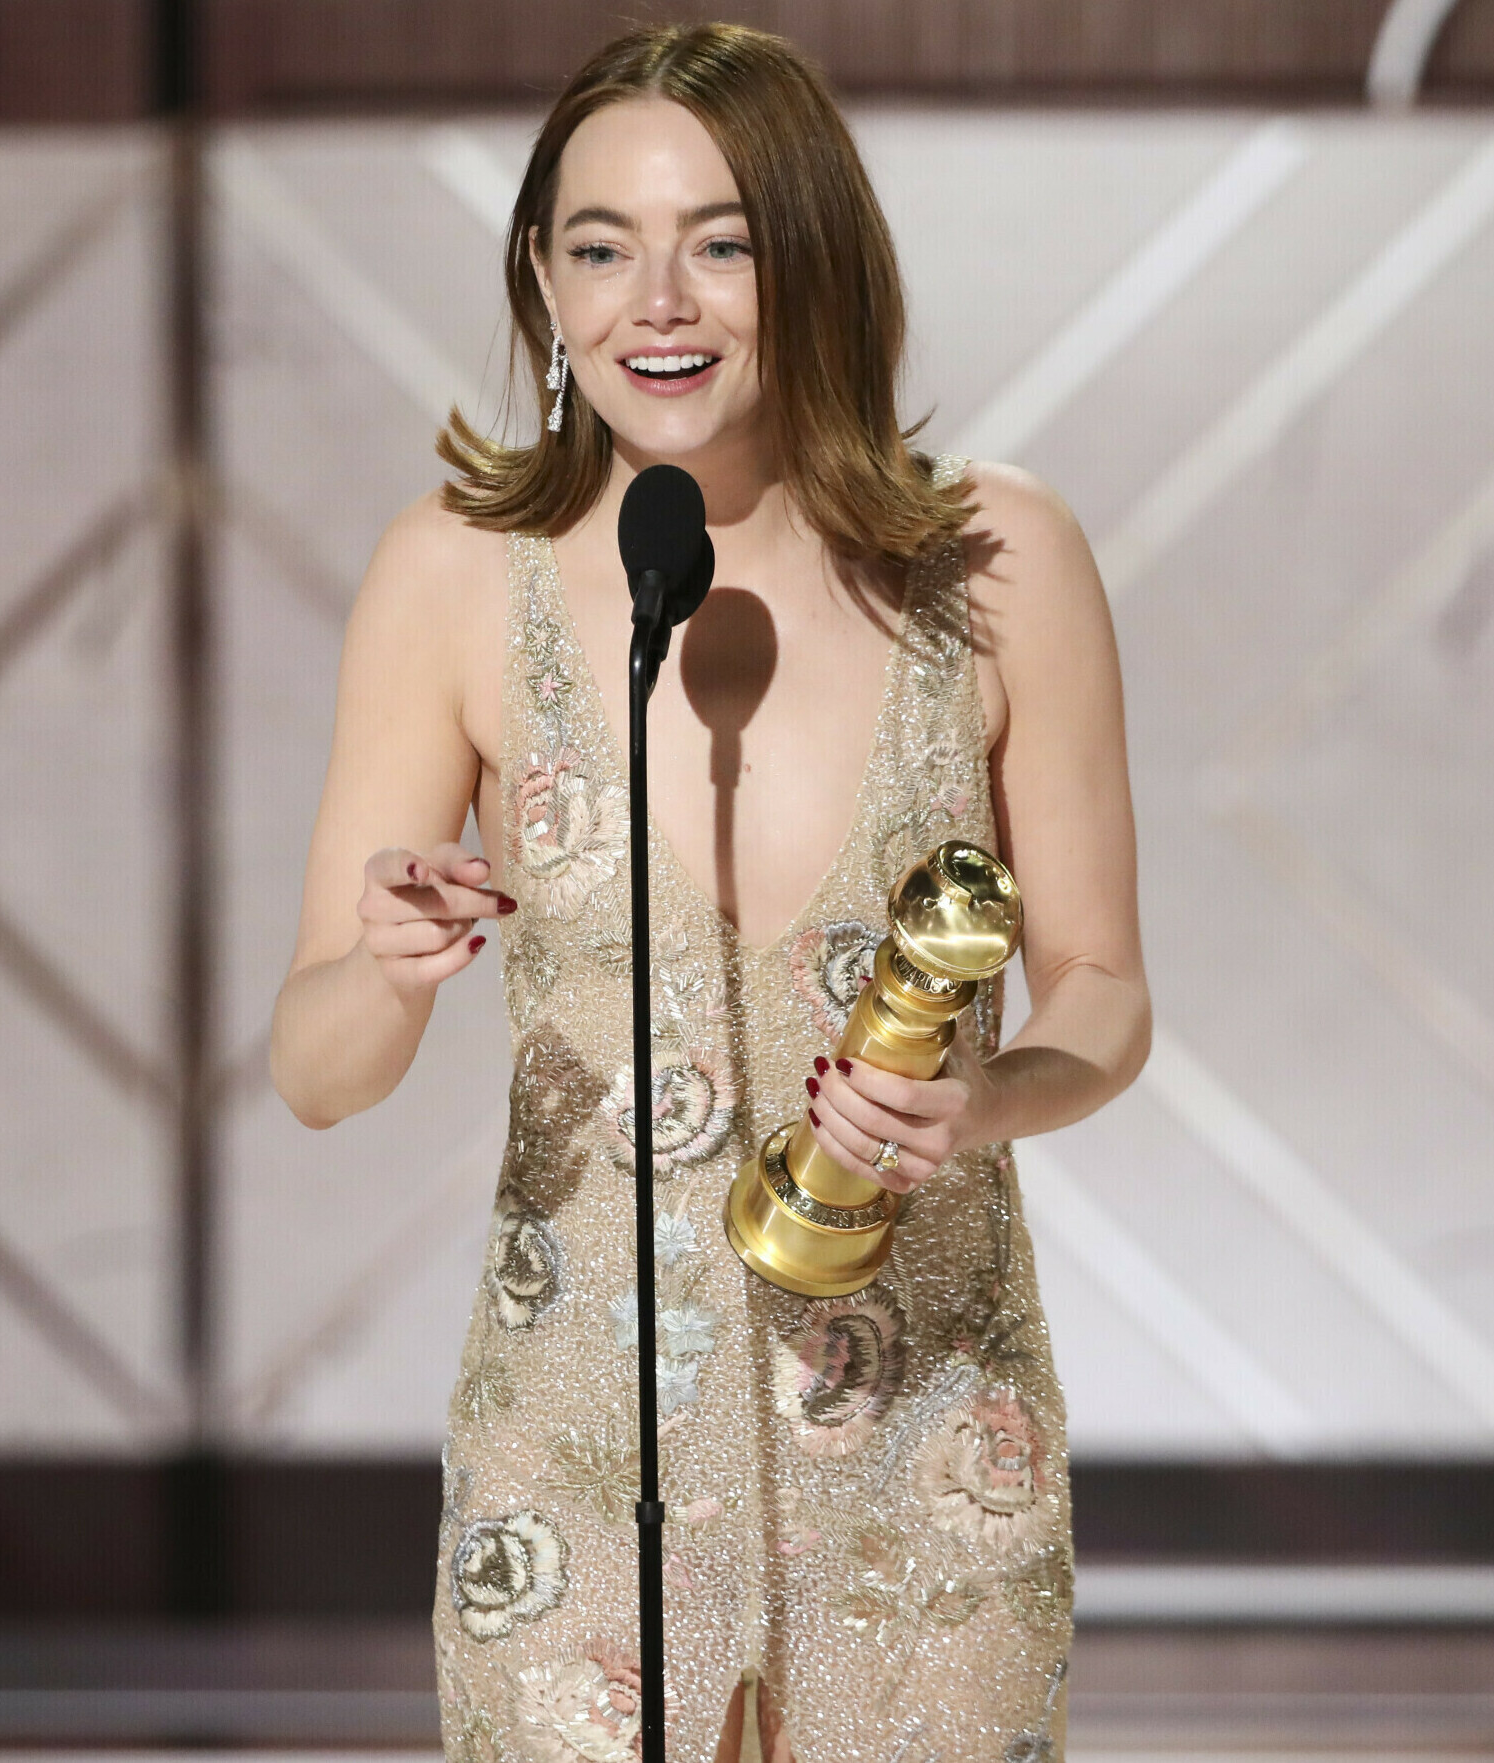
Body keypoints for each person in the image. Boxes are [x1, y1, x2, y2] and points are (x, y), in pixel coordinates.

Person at [269, 23, 1148, 1763]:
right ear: (543, 275)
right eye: (600, 246)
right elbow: (315, 1070)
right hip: (580, 1473)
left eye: (720, 241)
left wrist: (982, 1101)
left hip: (927, 1457)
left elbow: (1105, 992)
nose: (654, 302)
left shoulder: (999, 559)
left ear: (815, 254)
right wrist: (388, 963)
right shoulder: (455, 581)